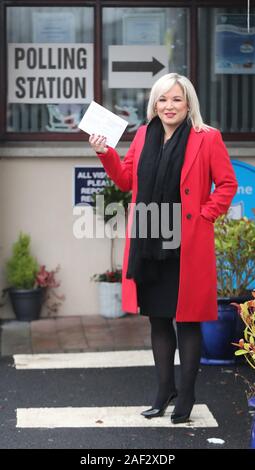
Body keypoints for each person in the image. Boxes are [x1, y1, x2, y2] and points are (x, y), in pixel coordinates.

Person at [88, 73, 238, 424]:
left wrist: (205, 215)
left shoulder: (207, 138)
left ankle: (186, 395)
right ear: (153, 104)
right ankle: (163, 390)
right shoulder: (143, 135)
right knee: (158, 319)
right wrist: (104, 153)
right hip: (148, 241)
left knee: (187, 322)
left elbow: (227, 184)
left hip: (186, 246)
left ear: (189, 104)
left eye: (176, 100)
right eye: (162, 100)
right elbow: (126, 180)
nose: (169, 106)